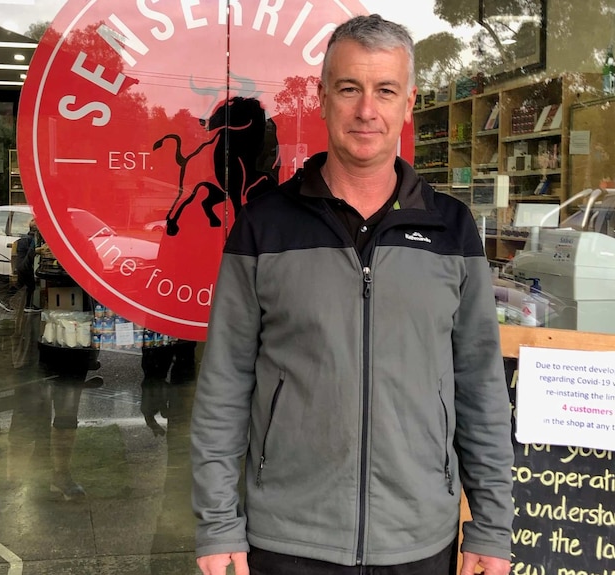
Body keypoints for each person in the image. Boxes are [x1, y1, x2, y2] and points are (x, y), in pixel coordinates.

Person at [191, 14, 513, 575]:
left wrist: (491, 526)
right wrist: (218, 525)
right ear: (322, 99)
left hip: (419, 541)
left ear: (408, 103)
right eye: (349, 89)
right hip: (288, 539)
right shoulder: (263, 228)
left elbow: (480, 386)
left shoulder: (452, 231)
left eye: (385, 90)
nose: (367, 110)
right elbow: (224, 383)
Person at [0, 218, 44, 313]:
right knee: (27, 285)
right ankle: (6, 300)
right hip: (25, 266)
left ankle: (27, 305)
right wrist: (39, 251)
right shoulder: (31, 240)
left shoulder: (25, 238)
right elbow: (31, 253)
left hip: (21, 265)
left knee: (27, 285)